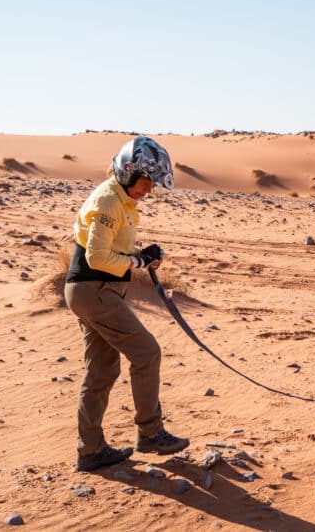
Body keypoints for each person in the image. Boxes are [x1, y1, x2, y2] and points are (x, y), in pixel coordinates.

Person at [65, 136, 190, 472]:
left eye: (152, 185)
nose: (148, 190)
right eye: (146, 182)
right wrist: (136, 263)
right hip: (96, 290)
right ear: (128, 172)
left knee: (102, 370)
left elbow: (111, 252)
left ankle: (90, 451)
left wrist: (141, 256)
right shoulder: (108, 201)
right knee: (147, 353)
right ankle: (150, 433)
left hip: (93, 290)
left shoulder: (119, 201)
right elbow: (98, 256)